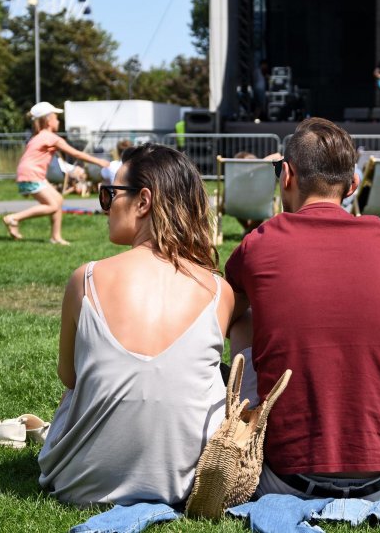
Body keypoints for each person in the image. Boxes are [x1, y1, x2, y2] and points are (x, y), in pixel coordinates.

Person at [225, 117, 380, 501]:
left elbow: (225, 315)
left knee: (244, 320)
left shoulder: (259, 244)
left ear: (286, 175)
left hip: (285, 478)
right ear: (352, 186)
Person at [38, 143, 235, 507]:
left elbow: (69, 377)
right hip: (184, 483)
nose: (106, 205)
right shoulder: (218, 291)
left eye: (110, 194)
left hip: (81, 482)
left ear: (143, 202)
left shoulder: (86, 279)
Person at [2, 102, 109, 245]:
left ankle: (56, 237)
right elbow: (76, 153)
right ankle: (14, 218)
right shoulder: (50, 137)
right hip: (31, 174)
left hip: (30, 173)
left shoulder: (38, 136)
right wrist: (100, 162)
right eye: (56, 118)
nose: (58, 121)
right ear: (48, 121)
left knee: (58, 200)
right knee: (52, 205)